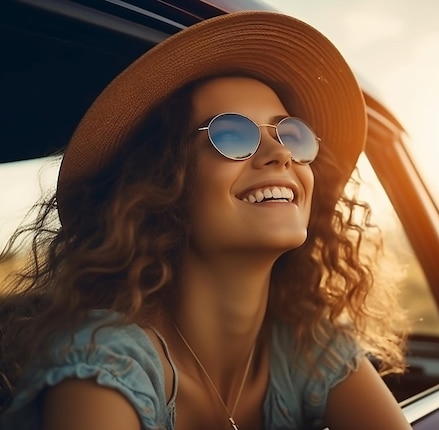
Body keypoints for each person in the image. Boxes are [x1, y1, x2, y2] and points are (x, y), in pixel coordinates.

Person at [0, 11, 409, 430]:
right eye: (232, 134)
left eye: (291, 133)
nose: (280, 153)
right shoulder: (104, 362)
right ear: (160, 182)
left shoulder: (307, 346)